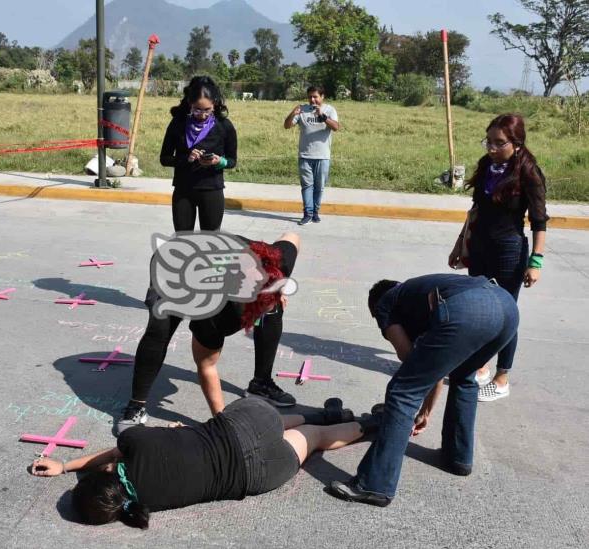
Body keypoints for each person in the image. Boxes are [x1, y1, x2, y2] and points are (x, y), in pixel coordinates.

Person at [30, 397, 379, 528]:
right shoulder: (135, 443)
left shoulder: (145, 504)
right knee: (276, 419)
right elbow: (115, 453)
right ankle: (321, 412)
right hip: (244, 426)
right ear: (104, 474)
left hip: (258, 475)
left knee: (315, 439)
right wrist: (68, 465)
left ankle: (372, 425)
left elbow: (117, 464)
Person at [329, 273, 519, 507]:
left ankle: (374, 485)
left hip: (467, 311)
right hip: (506, 307)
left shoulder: (385, 303)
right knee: (464, 378)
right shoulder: (416, 295)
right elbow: (433, 366)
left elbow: (412, 363)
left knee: (402, 391)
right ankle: (457, 458)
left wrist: (420, 408)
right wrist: (426, 411)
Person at [114, 232, 301, 435]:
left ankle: (261, 383)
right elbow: (206, 365)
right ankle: (136, 406)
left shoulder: (276, 259)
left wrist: (278, 286)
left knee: (274, 309)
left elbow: (293, 237)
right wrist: (224, 425)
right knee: (160, 328)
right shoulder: (213, 310)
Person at [448, 114, 548, 402]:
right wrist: (460, 245)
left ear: (516, 143)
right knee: (479, 310)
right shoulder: (486, 167)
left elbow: (540, 222)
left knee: (505, 315)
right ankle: (480, 366)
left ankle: (502, 377)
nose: (491, 148)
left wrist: (536, 262)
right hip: (479, 248)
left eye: (498, 143)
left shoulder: (528, 173)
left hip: (509, 252)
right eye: (488, 141)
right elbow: (475, 211)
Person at [160, 76, 237, 232]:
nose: (202, 115)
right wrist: (186, 158)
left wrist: (219, 161)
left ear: (214, 104)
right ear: (190, 104)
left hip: (211, 190)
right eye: (197, 109)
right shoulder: (178, 123)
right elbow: (164, 158)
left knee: (210, 242)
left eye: (207, 110)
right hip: (183, 190)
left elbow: (232, 161)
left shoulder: (224, 126)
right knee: (183, 241)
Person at [283, 85, 339, 225]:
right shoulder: (302, 109)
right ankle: (307, 213)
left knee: (319, 186)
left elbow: (336, 127)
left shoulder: (329, 109)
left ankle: (315, 212)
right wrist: (293, 114)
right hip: (305, 155)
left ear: (322, 97)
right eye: (310, 97)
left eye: (315, 97)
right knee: (307, 186)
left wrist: (322, 116)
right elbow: (287, 125)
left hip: (323, 156)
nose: (312, 100)